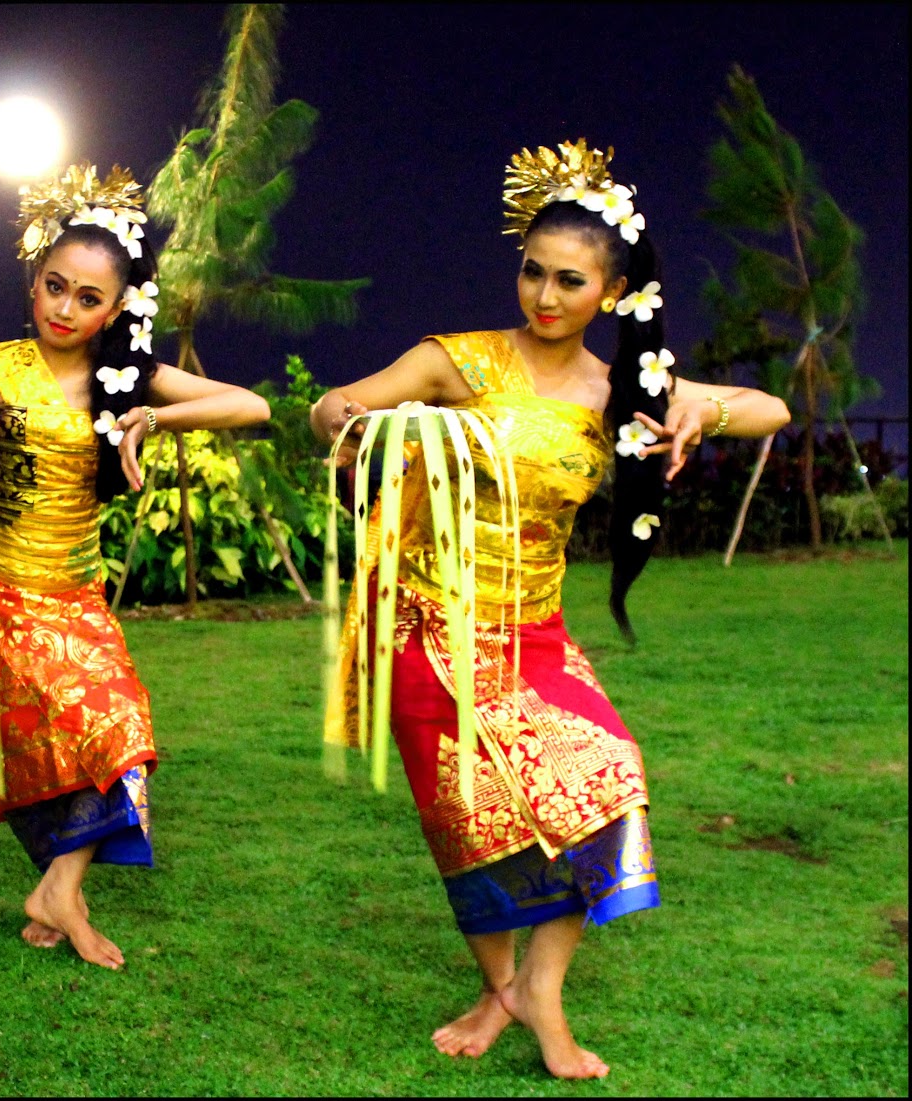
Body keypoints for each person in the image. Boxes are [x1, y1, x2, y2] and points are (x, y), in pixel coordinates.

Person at [310, 141, 790, 1078]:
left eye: (570, 280)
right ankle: (501, 993)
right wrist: (351, 421)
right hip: (425, 622)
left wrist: (701, 414)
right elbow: (336, 406)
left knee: (608, 779)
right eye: (532, 271)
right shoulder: (458, 360)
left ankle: (540, 990)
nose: (543, 295)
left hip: (533, 629)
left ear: (609, 293)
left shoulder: (620, 392)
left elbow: (768, 407)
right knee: (473, 820)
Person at [0, 163, 269, 969]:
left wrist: (154, 413)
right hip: (0, 587)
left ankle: (58, 892)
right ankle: (60, 892)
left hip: (76, 590)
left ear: (117, 309)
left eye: (90, 299)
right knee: (83, 736)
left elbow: (250, 406)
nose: (66, 309)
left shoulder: (124, 378)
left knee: (119, 730)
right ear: (36, 279)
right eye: (56, 287)